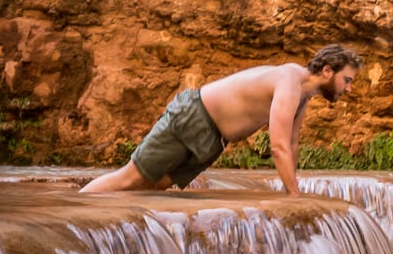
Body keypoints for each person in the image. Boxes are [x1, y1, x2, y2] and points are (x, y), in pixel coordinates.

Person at [80, 44, 362, 196]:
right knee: (130, 178)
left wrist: (294, 191)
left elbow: (292, 142)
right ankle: (76, 212)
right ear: (327, 70)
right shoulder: (289, 80)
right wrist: (294, 198)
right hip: (194, 117)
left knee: (155, 187)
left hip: (213, 140)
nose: (348, 88)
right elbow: (278, 147)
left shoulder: (303, 94)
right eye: (346, 80)